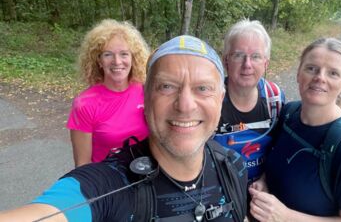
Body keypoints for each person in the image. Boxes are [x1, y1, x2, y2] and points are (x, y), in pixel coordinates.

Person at [0, 35, 248, 222]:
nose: (185, 105)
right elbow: (59, 206)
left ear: (221, 99)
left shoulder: (233, 167)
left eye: (202, 88)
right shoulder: (110, 185)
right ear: (146, 97)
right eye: (167, 87)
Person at [249, 37, 341, 222]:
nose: (319, 78)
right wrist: (264, 181)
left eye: (333, 73)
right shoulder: (288, 113)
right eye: (311, 68)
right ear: (298, 74)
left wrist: (285, 216)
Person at [67, 19, 150, 167]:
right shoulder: (84, 104)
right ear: (98, 60)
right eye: (108, 55)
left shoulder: (146, 91)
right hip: (108, 181)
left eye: (124, 54)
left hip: (147, 176)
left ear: (133, 58)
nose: (117, 61)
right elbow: (82, 165)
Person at [213, 19, 285, 183]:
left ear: (265, 64)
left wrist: (265, 180)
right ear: (226, 61)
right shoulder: (212, 100)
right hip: (221, 192)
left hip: (262, 192)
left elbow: (280, 150)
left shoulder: (274, 98)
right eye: (238, 55)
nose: (247, 64)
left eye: (256, 57)